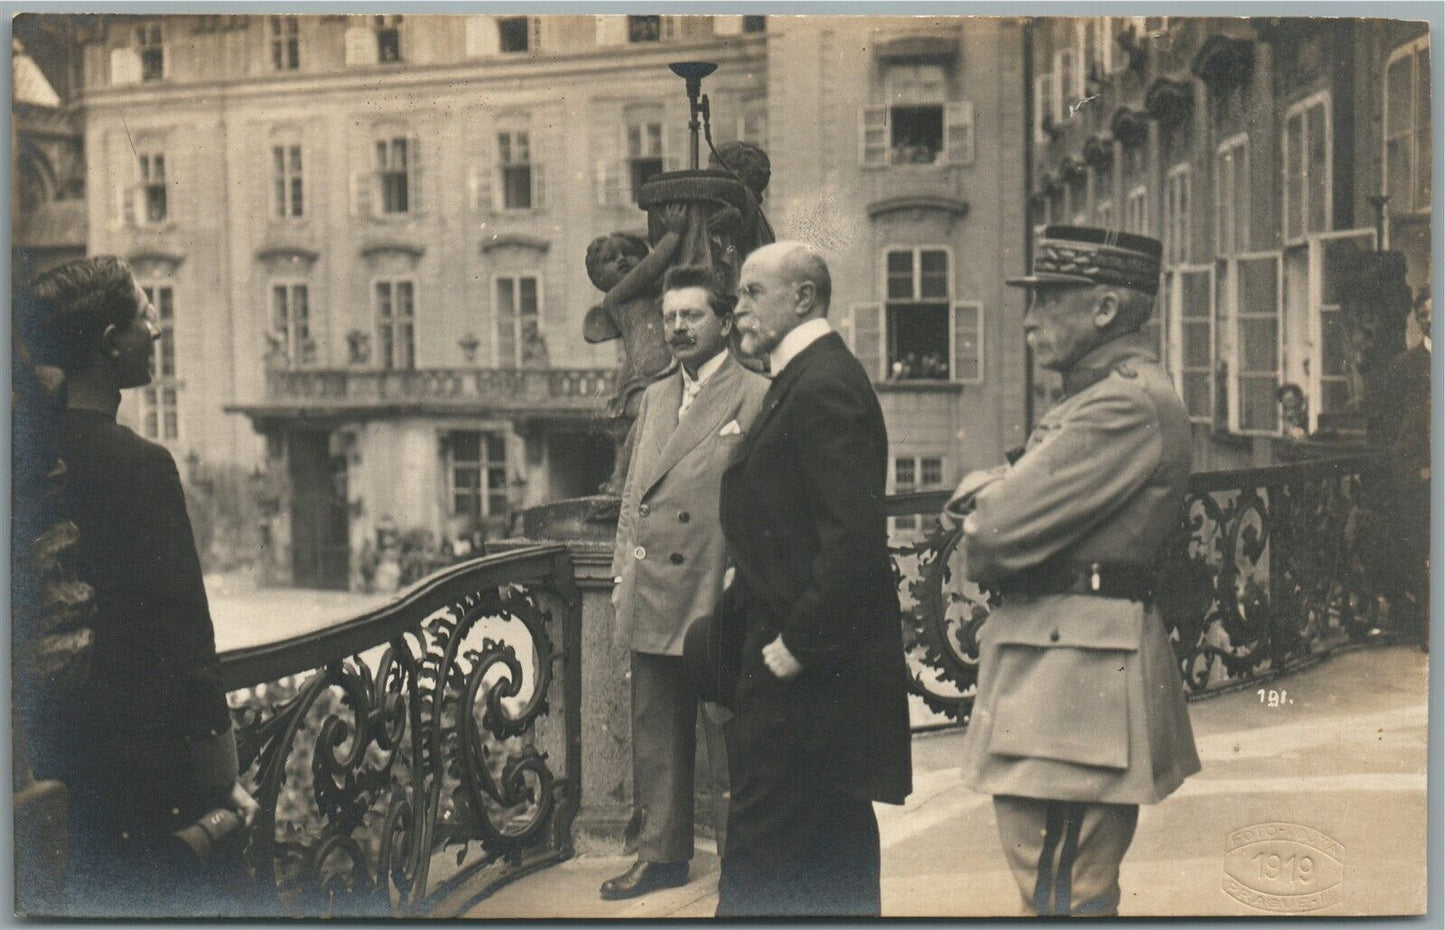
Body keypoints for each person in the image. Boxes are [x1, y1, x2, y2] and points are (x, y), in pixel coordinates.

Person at [943, 226, 1201, 917]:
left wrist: (992, 495)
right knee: (1063, 890)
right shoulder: (1107, 396)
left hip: (1071, 679)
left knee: (1058, 894)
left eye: (1048, 299)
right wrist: (1008, 488)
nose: (1029, 320)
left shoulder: (1116, 403)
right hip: (1071, 664)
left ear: (1105, 310)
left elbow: (989, 536)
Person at [22, 257, 259, 916]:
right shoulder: (140, 466)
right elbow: (184, 638)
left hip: (54, 757)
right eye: (146, 315)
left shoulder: (29, 454)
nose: (157, 329)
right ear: (109, 344)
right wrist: (222, 778)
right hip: (140, 771)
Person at [709, 241, 912, 916]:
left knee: (764, 860)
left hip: (803, 674)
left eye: (751, 292)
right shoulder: (808, 377)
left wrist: (796, 645)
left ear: (802, 298)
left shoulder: (821, 385)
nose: (735, 307)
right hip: (811, 670)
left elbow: (852, 540)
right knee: (832, 851)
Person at [601, 265, 770, 900]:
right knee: (656, 729)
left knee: (728, 733)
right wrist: (622, 572)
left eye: (691, 315)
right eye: (670, 317)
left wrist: (747, 579)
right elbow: (631, 498)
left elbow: (768, 500)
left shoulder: (755, 394)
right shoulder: (654, 397)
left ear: (724, 321)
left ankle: (745, 863)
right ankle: (663, 855)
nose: (677, 328)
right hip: (650, 587)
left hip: (714, 588)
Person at [584, 204, 690, 492]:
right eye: (609, 259)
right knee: (648, 418)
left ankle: (639, 480)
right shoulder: (617, 298)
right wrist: (673, 235)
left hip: (668, 372)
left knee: (659, 425)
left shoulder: (659, 292)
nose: (620, 260)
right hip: (639, 379)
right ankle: (621, 480)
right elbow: (650, 268)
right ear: (597, 276)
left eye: (628, 253)